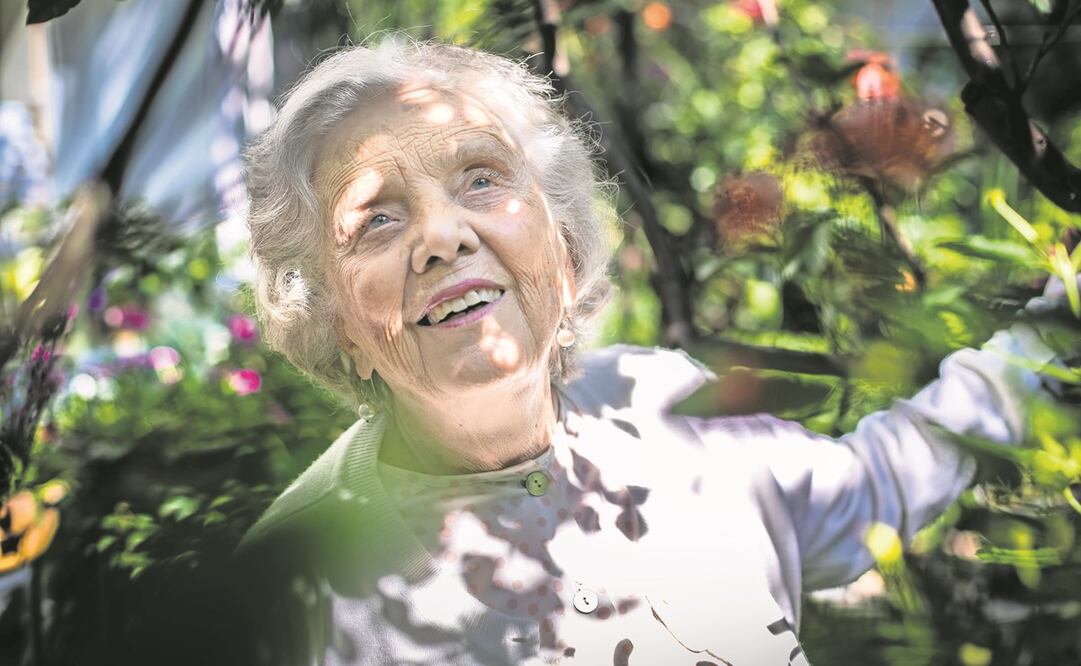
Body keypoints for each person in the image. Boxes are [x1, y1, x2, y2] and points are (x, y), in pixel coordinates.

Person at [237, 39, 1068, 665]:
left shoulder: (665, 401)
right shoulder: (295, 597)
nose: (442, 236)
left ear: (561, 243)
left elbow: (875, 482)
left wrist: (1058, 329)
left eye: (481, 178)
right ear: (334, 318)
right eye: (376, 219)